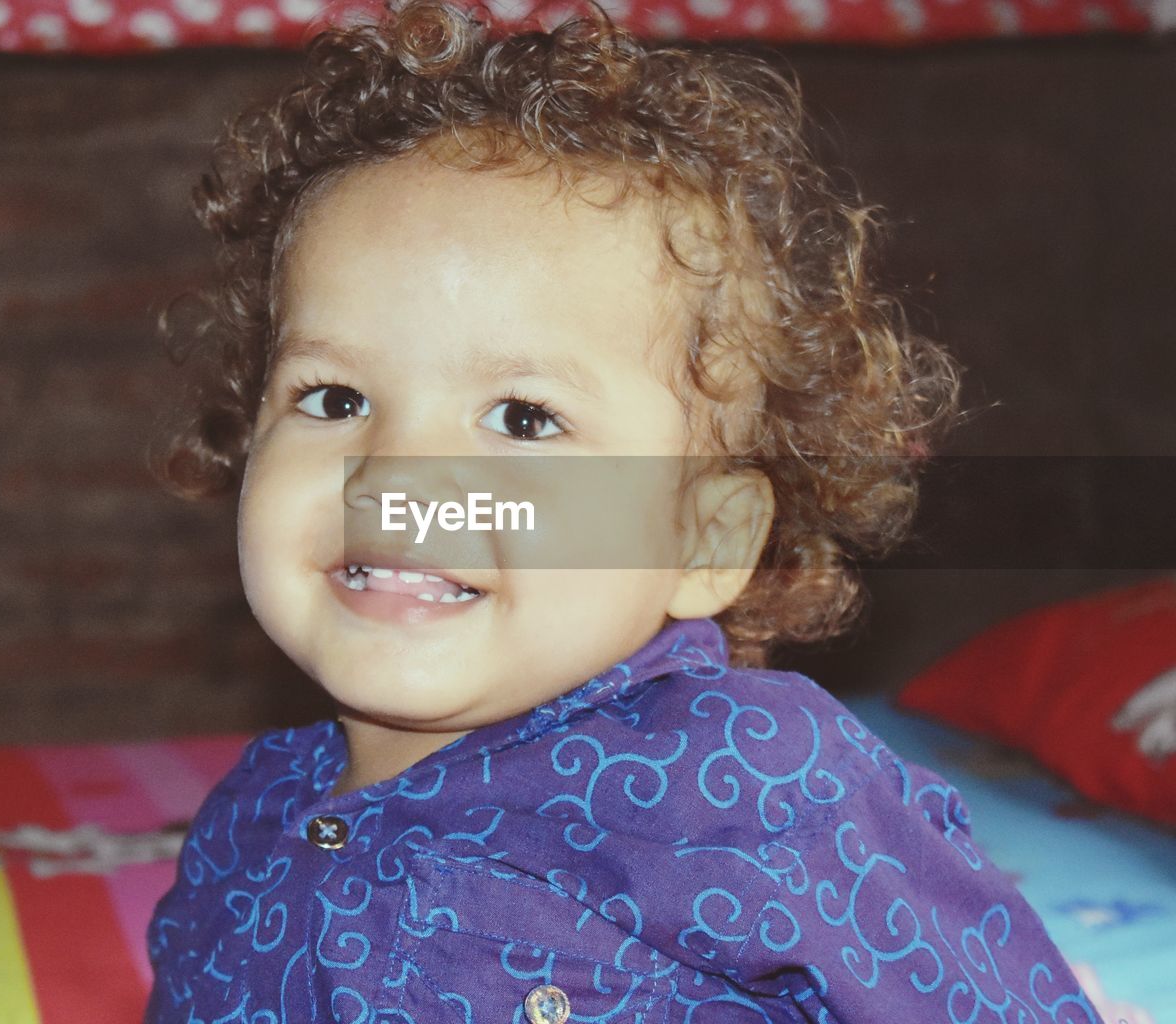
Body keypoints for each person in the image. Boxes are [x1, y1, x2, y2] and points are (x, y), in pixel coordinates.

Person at [144, 2, 1101, 1020]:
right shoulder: (248, 822)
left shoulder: (749, 786)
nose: (397, 476)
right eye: (333, 399)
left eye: (522, 416)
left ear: (703, 534)